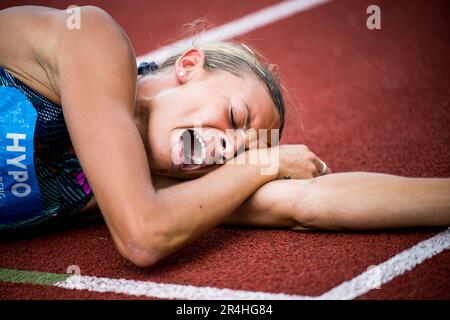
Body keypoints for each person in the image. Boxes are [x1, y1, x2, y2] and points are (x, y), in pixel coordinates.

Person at [0, 6, 449, 267]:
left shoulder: (153, 189)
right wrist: (264, 163)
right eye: (235, 117)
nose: (227, 150)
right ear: (190, 66)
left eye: (239, 153)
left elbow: (305, 202)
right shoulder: (94, 42)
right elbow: (144, 236)